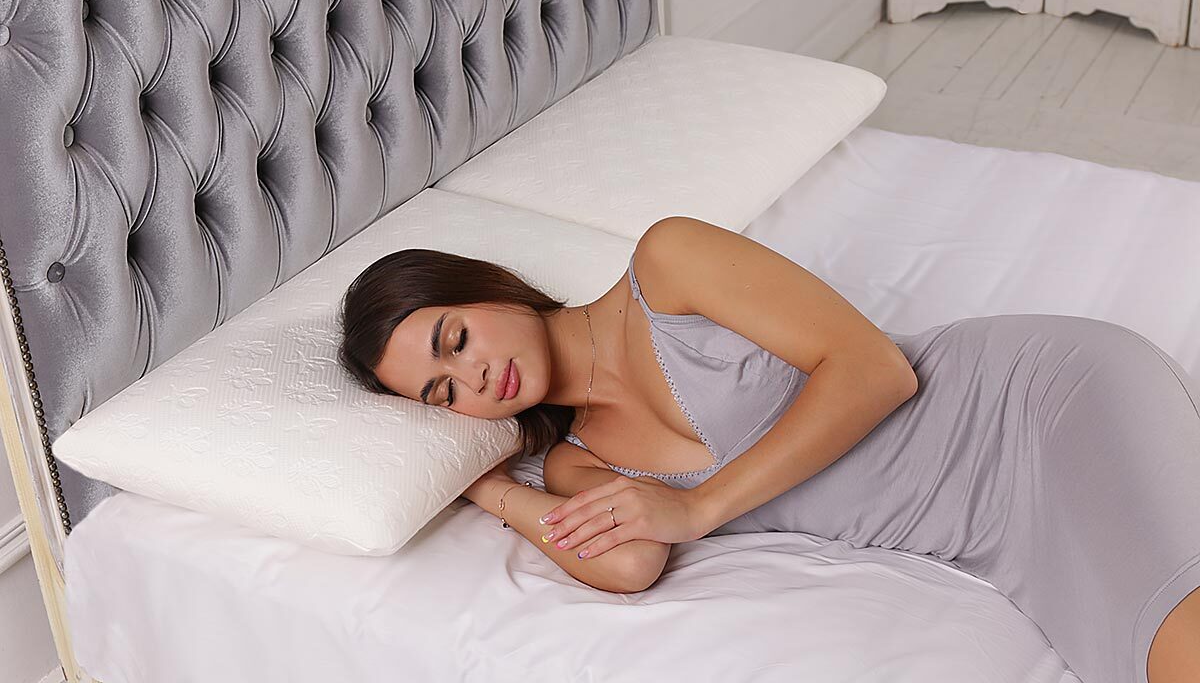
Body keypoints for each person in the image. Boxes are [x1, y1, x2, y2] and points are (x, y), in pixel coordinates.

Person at [338, 215, 1200, 683]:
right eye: (442, 394)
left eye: (455, 340)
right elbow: (630, 565)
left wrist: (700, 507)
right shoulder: (576, 463)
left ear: (488, 290)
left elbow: (877, 371)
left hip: (1037, 406)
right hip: (993, 536)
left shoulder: (668, 263)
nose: (473, 379)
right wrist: (480, 487)